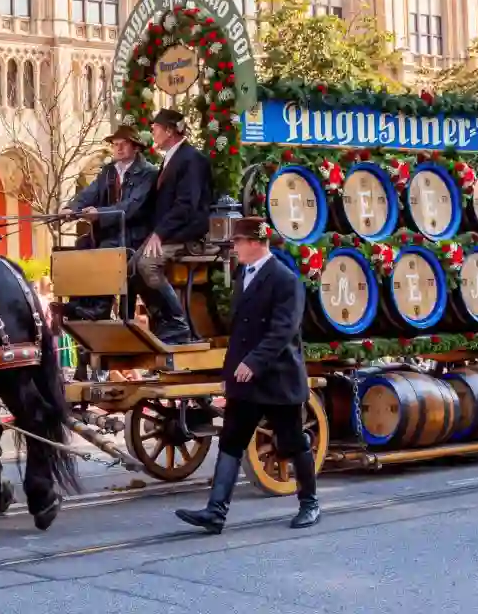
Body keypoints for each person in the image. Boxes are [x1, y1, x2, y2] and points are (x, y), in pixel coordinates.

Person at [174, 216, 319, 534]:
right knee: (231, 441)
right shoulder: (245, 275)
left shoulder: (284, 279)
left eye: (237, 243)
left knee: (292, 441)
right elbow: (240, 332)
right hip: (245, 381)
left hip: (278, 378)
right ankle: (215, 512)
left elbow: (283, 331)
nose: (234, 249)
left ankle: (310, 504)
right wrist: (231, 374)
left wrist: (253, 363)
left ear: (255, 242)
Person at [132, 109, 212, 345]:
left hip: (187, 234)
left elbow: (186, 206)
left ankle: (177, 323)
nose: (152, 131)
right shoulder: (170, 158)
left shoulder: (192, 159)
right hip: (169, 233)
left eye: (156, 127)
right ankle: (161, 319)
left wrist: (159, 233)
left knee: (147, 263)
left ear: (169, 131)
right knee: (129, 266)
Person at [60, 125, 157, 321]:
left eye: (124, 144)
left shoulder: (148, 173)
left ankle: (101, 306)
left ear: (136, 148)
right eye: (115, 145)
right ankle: (78, 303)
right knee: (82, 245)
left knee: (107, 248)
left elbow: (131, 206)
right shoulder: (109, 171)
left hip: (135, 234)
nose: (118, 148)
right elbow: (90, 193)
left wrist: (99, 214)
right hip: (110, 232)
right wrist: (72, 208)